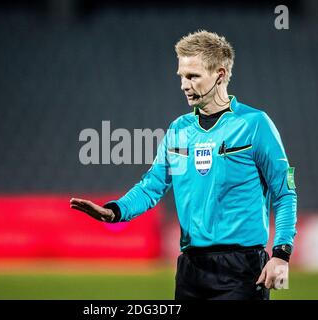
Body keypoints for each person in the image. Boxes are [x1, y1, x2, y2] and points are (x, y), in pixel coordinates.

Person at [70, 30, 297, 300]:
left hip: (242, 270)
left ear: (220, 75)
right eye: (181, 76)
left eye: (193, 76)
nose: (184, 85)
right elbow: (152, 185)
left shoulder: (255, 124)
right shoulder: (178, 129)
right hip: (191, 270)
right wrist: (115, 211)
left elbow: (284, 193)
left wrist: (281, 255)